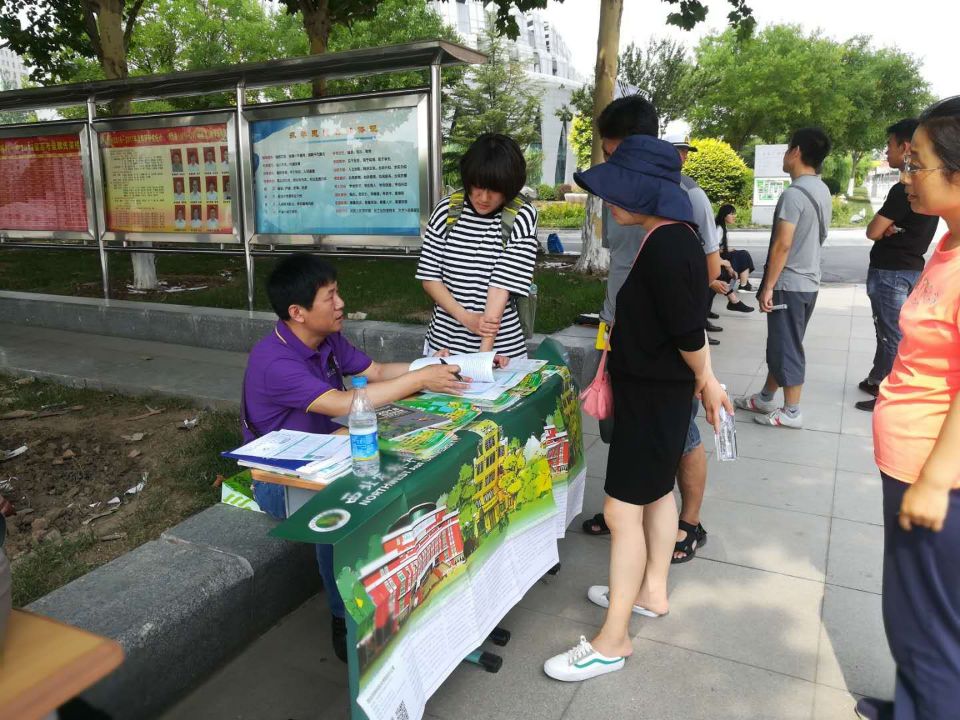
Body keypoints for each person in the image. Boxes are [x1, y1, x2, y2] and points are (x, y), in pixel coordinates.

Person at [542, 134, 731, 682]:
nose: (608, 201)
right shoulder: (674, 236)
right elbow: (688, 325)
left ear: (646, 191)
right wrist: (703, 378)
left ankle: (613, 639)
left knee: (622, 512)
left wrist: (707, 380)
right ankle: (651, 592)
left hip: (652, 397)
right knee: (655, 497)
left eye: (617, 190)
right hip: (658, 394)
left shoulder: (667, 245)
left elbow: (688, 331)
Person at [242, 253, 466, 662]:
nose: (341, 303)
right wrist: (419, 378)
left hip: (331, 452)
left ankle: (414, 586)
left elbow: (377, 372)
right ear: (298, 312)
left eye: (337, 292)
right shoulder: (275, 361)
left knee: (417, 463)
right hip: (282, 480)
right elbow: (345, 402)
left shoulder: (325, 339)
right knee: (344, 512)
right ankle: (343, 618)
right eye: (330, 296)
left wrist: (443, 365)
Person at [856, 96, 960, 720]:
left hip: (934, 474)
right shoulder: (948, 245)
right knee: (916, 612)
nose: (906, 175)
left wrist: (935, 480)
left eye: (916, 163)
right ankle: (916, 705)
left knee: (928, 624)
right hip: (914, 462)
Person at [581, 99, 716, 564]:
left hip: (664, 357)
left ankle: (688, 523)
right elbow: (620, 261)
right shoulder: (623, 203)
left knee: (681, 438)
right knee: (625, 438)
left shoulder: (682, 206)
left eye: (615, 153)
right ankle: (630, 504)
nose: (610, 171)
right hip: (626, 330)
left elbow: (691, 300)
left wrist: (705, 374)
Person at [735, 128, 833, 429]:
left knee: (786, 347)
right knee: (784, 342)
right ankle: (766, 397)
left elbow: (782, 244)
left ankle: (792, 411)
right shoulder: (821, 189)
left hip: (789, 284)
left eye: (788, 147)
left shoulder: (793, 194)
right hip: (808, 283)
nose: (785, 154)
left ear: (796, 152)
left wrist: (767, 286)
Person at [416, 133, 538, 359]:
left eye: (494, 189)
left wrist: (483, 358)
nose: (484, 198)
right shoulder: (446, 210)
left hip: (500, 351)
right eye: (478, 187)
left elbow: (501, 286)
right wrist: (466, 318)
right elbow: (430, 277)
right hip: (444, 344)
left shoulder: (521, 216)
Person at [855, 118, 940, 413]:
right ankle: (877, 378)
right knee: (888, 330)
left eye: (889, 145)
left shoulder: (903, 189)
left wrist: (884, 229)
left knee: (891, 333)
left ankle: (888, 394)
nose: (886, 151)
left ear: (906, 148)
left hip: (891, 271)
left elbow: (873, 231)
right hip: (911, 267)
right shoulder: (924, 190)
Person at [664, 133, 726, 345]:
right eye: (679, 151)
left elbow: (712, 259)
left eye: (685, 152)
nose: (685, 157)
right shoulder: (690, 191)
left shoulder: (690, 191)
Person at [715, 203, 756, 312]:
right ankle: (743, 285)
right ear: (724, 215)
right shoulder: (719, 229)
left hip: (720, 256)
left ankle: (744, 284)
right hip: (717, 259)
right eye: (732, 214)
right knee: (743, 255)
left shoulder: (722, 226)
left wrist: (726, 249)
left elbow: (716, 247)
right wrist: (726, 259)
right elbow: (712, 249)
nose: (734, 216)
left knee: (742, 254)